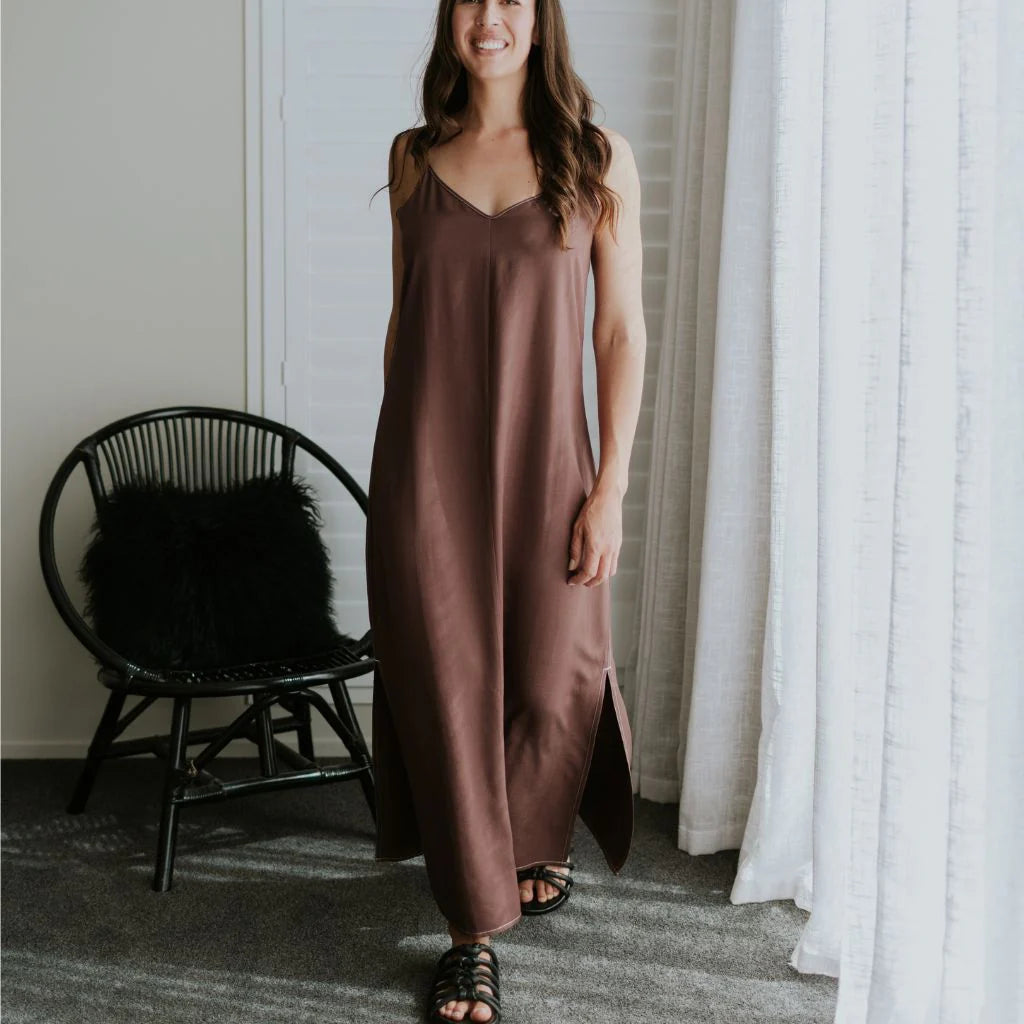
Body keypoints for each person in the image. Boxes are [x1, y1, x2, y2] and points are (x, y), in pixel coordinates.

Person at [364, 1, 646, 1020]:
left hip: (549, 465)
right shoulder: (413, 159)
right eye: (472, 0)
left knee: (549, 671)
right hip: (426, 471)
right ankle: (470, 934)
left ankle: (532, 836)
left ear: (541, 20)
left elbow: (619, 331)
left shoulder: (596, 158)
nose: (491, 17)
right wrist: (405, 471)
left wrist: (609, 487)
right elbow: (405, 319)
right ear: (451, 19)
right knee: (447, 690)